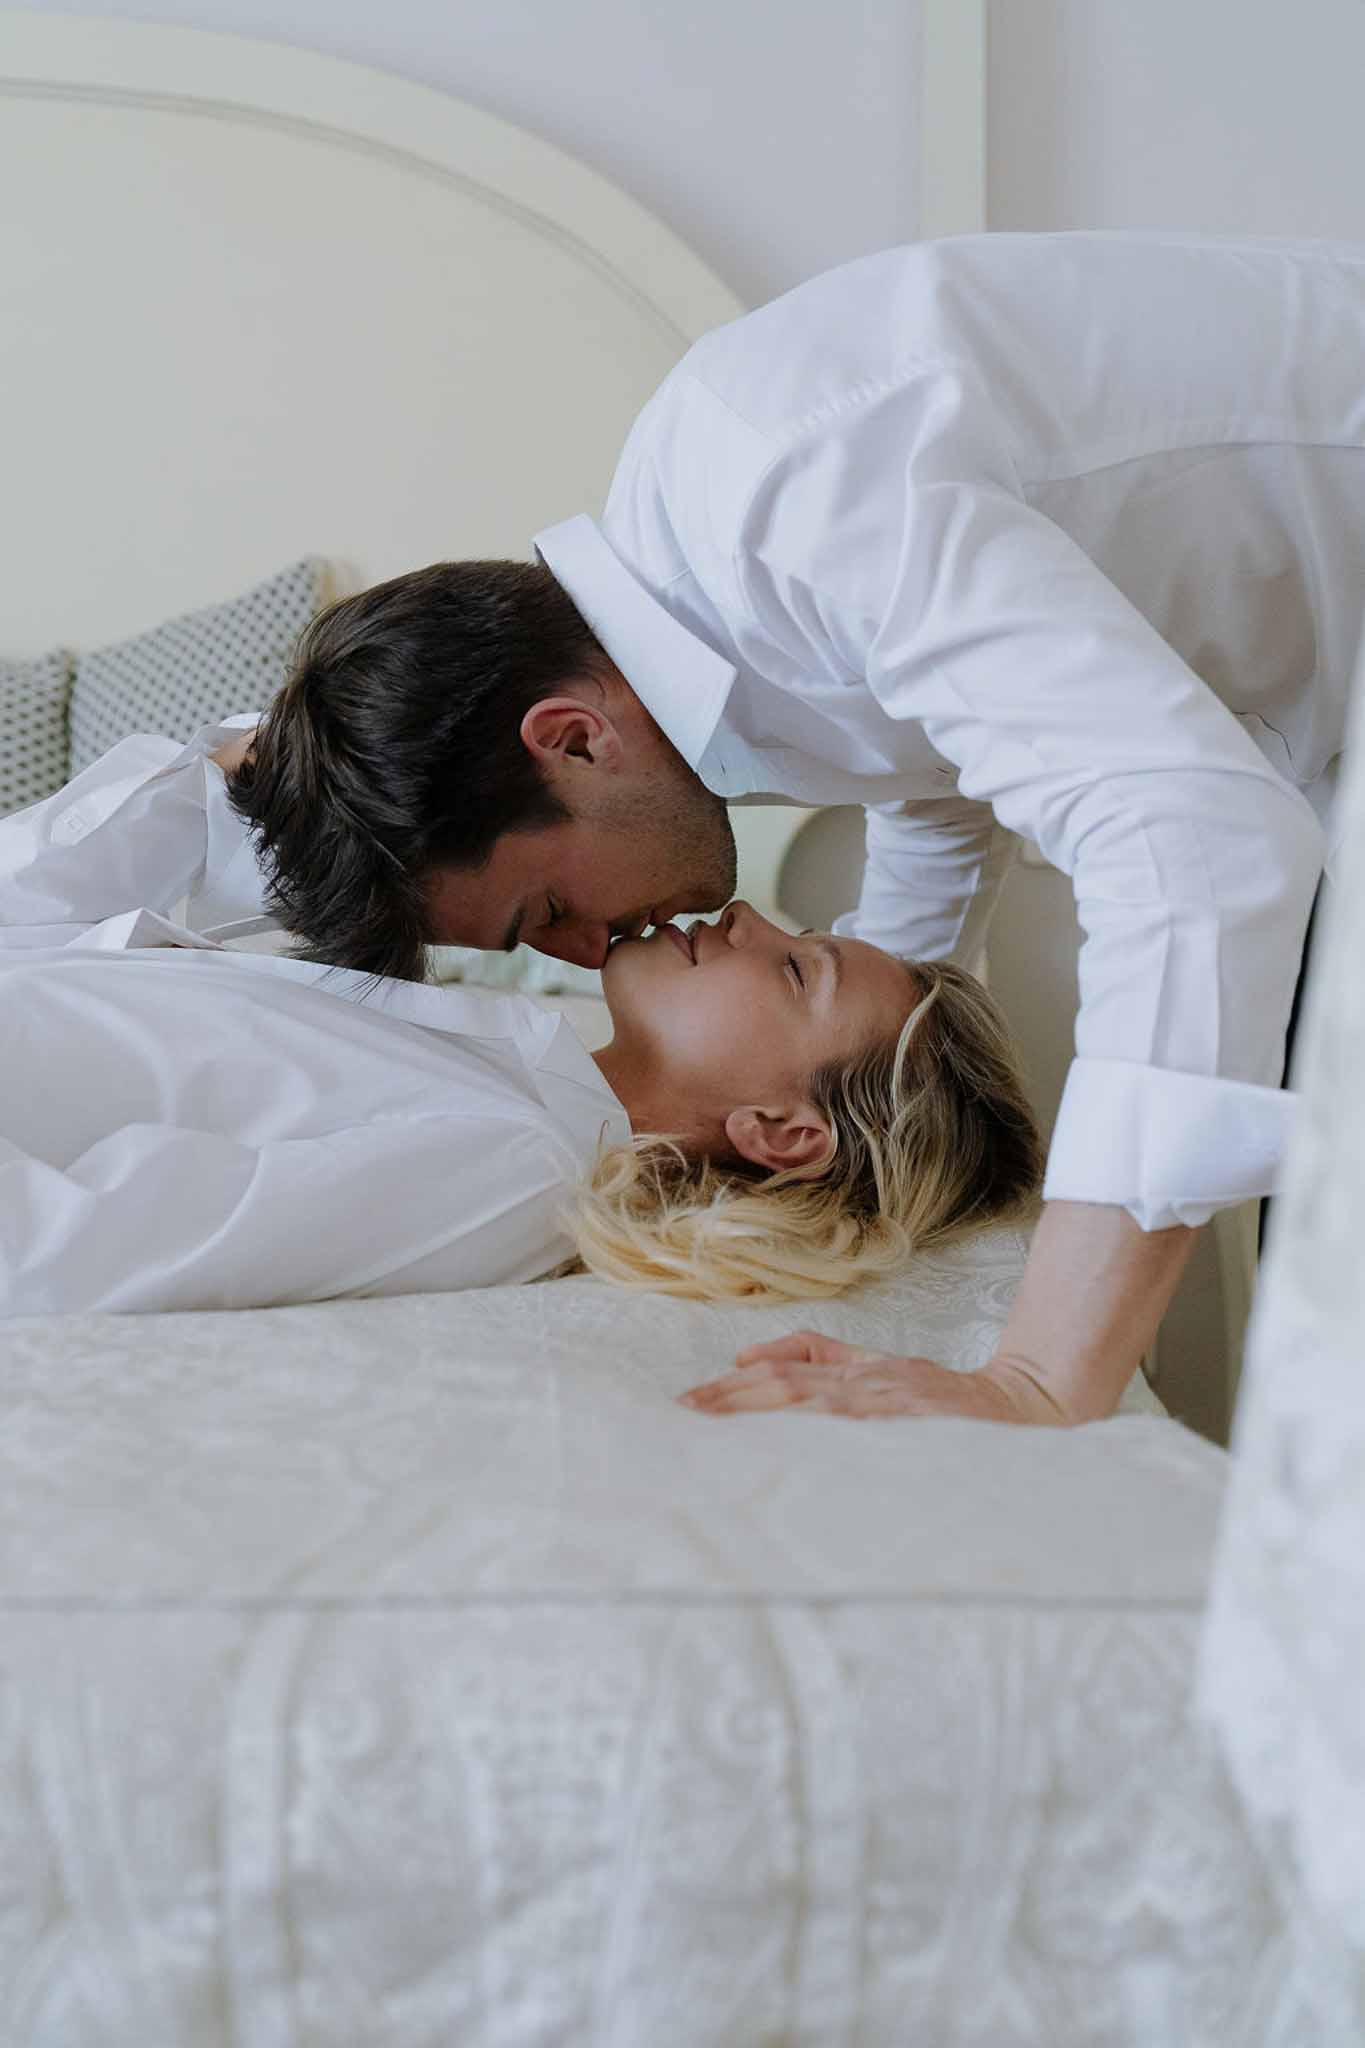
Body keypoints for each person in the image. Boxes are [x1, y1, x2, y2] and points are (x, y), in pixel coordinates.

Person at [220, 237, 1365, 1419]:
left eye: (547, 912)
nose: (585, 954)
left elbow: (1191, 839)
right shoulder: (720, 611)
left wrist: (1037, 1373)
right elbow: (938, 781)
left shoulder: (795, 496)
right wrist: (867, 1089)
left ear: (568, 738)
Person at [0, 726, 1041, 1317]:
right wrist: (225, 786)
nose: (746, 917)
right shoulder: (503, 1047)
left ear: (783, 1130)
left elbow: (79, 1251)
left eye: (798, 969)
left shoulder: (515, 1161)